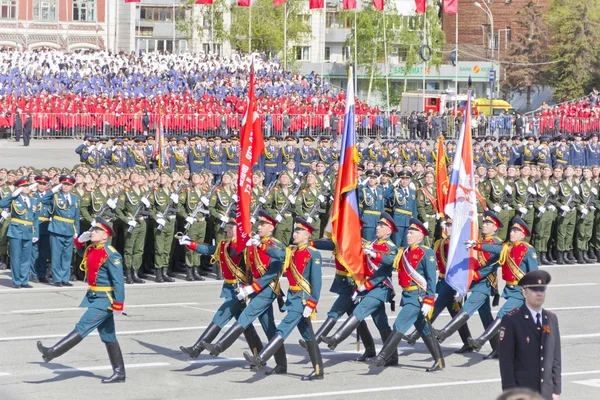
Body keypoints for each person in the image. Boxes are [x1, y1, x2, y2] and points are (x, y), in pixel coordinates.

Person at [37, 218, 126, 384]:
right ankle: (119, 373)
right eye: (92, 230)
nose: (92, 232)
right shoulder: (93, 248)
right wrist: (79, 241)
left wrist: (118, 304)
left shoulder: (111, 254)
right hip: (94, 297)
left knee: (82, 326)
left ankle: (52, 352)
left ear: (105, 235)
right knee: (108, 336)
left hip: (104, 300)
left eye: (96, 231)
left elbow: (119, 281)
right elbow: (80, 253)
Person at [201, 211, 287, 375]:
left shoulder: (276, 245)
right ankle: (281, 364)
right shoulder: (256, 242)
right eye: (259, 224)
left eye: (263, 225)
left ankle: (220, 346)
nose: (259, 227)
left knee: (245, 317)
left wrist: (252, 288)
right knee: (269, 329)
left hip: (267, 290)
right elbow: (245, 265)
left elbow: (272, 273)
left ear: (271, 227)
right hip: (254, 290)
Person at [244, 218, 323, 380]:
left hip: (302, 301)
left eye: (298, 231)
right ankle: (318, 371)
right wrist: (261, 245)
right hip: (293, 298)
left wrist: (312, 302)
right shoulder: (292, 251)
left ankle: (261, 358)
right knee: (308, 336)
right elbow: (278, 254)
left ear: (307, 235)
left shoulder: (313, 254)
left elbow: (317, 282)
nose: (294, 234)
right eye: (294, 231)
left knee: (283, 328)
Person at [177, 215, 263, 359]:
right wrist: (190, 243)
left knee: (220, 316)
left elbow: (239, 254)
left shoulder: (243, 246)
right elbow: (209, 250)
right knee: (244, 324)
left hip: (238, 289)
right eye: (227, 227)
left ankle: (196, 349)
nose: (227, 229)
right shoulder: (224, 243)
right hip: (228, 287)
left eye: (231, 227)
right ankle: (260, 354)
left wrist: (246, 240)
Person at [321, 213, 399, 367]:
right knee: (381, 322)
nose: (378, 227)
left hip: (380, 288)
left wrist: (375, 255)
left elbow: (390, 262)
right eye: (378, 224)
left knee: (360, 311)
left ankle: (336, 338)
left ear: (389, 231)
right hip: (368, 286)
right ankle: (392, 356)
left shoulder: (391, 247)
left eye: (382, 226)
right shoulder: (372, 242)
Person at [367, 218, 444, 372]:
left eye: (412, 233)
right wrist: (375, 254)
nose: (408, 235)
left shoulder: (426, 252)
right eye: (408, 232)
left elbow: (431, 278)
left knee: (399, 324)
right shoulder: (403, 252)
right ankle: (440, 361)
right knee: (424, 330)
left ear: (420, 236)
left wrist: (429, 299)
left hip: (418, 297)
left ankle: (382, 357)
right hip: (407, 296)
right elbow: (390, 260)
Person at [466, 218, 539, 356]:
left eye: (516, 231)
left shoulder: (528, 250)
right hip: (510, 290)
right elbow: (494, 248)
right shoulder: (507, 247)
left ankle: (481, 341)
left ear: (522, 235)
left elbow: (534, 274)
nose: (512, 233)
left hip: (521, 292)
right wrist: (477, 245)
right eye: (512, 230)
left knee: (503, 315)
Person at [499, 270, 561, 400]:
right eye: (534, 290)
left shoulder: (551, 318)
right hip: (523, 392)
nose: (539, 293)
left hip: (546, 391)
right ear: (524, 292)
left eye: (542, 290)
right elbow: (506, 362)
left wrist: (556, 389)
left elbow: (555, 357)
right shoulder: (512, 320)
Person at [0, 177, 40, 288]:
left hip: (28, 231)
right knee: (16, 257)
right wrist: (12, 195)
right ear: (19, 188)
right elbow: (2, 203)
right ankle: (16, 281)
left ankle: (24, 280)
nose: (27, 188)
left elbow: (35, 218)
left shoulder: (33, 200)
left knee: (26, 257)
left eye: (28, 186)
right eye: (24, 186)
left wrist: (35, 233)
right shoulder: (14, 199)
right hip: (16, 230)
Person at [41, 175, 81, 286]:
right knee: (56, 255)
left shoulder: (75, 198)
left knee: (67, 255)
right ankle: (57, 278)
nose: (66, 186)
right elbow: (43, 199)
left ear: (72, 186)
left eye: (68, 184)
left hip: (69, 229)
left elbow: (76, 216)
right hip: (57, 228)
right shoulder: (55, 197)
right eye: (64, 184)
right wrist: (53, 189)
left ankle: (65, 278)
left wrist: (76, 230)